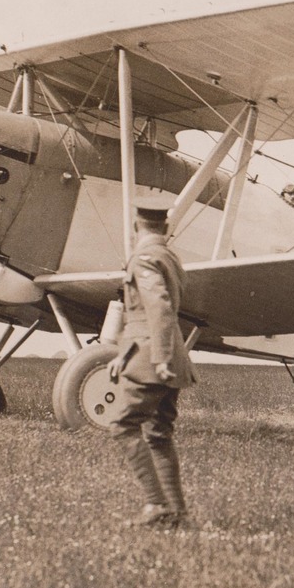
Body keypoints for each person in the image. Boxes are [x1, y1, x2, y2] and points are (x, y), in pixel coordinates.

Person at [104, 203, 198, 528]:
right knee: (159, 434)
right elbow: (147, 313)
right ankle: (177, 513)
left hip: (152, 358)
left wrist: (158, 359)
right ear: (166, 228)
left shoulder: (143, 258)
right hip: (168, 353)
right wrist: (123, 354)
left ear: (135, 226)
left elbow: (158, 308)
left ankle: (156, 504)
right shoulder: (169, 256)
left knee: (123, 425)